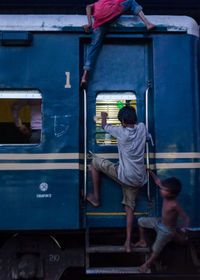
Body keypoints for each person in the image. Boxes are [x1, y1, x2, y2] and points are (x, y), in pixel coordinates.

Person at [87, 105, 149, 252]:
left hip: (125, 176)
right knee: (129, 208)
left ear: (123, 122)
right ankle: (127, 243)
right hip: (139, 178)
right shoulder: (142, 128)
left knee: (94, 163)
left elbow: (104, 126)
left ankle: (96, 198)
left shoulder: (121, 132)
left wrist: (103, 115)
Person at [80, 0, 156, 88]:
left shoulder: (97, 4)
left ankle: (84, 77)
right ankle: (147, 24)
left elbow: (88, 7)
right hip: (112, 12)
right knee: (131, 2)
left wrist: (89, 24)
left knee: (93, 48)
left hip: (99, 22)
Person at [134, 169, 190, 273]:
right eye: (162, 189)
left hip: (166, 231)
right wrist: (150, 172)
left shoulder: (174, 204)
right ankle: (142, 241)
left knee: (156, 249)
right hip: (159, 222)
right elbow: (158, 182)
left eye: (164, 190)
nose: (161, 190)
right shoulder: (165, 195)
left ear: (172, 194)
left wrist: (183, 229)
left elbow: (185, 217)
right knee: (141, 221)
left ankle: (146, 265)